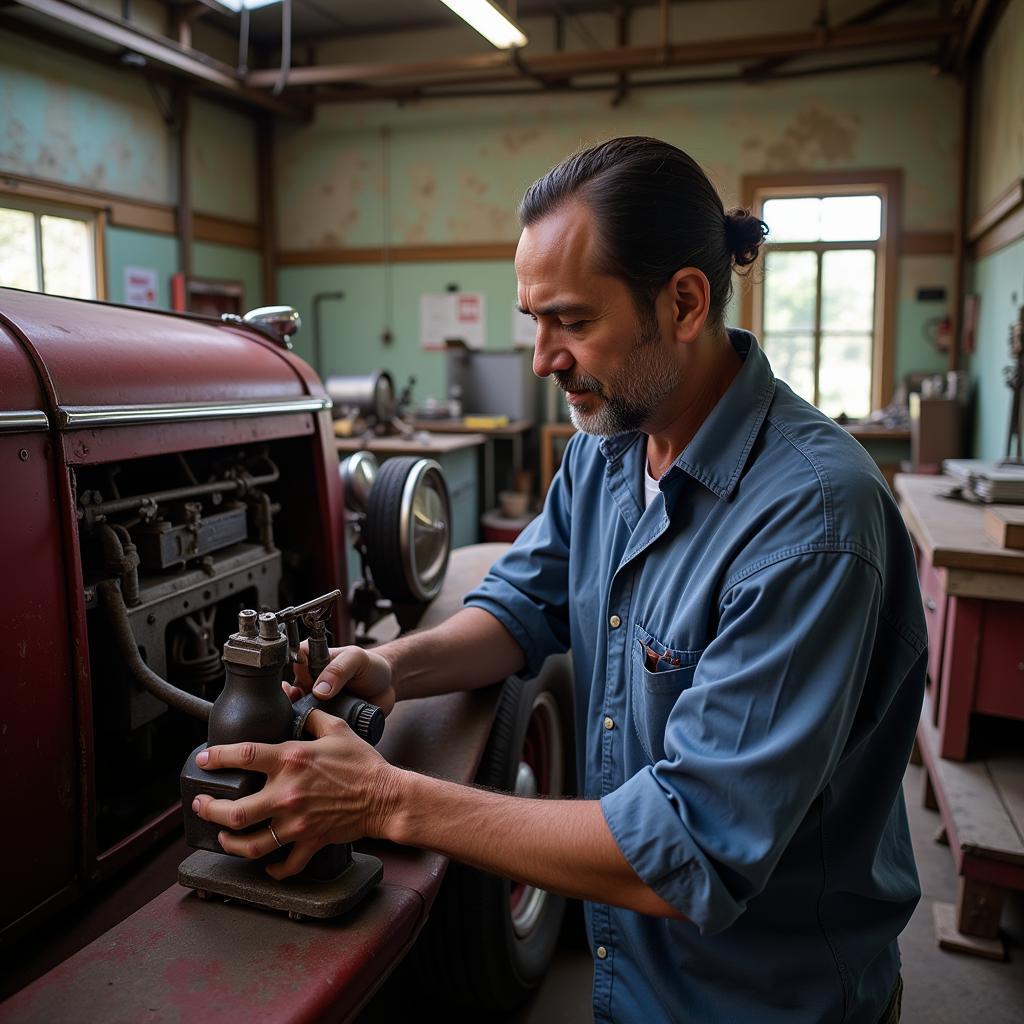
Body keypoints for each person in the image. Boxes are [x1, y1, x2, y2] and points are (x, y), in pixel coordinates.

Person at [191, 137, 926, 1023]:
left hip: (768, 1000)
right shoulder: (607, 454)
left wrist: (385, 799)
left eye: (572, 322)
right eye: (533, 319)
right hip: (635, 980)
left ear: (685, 302)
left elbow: (690, 842)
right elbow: (520, 607)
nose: (542, 358)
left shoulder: (810, 522)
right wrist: (394, 667)